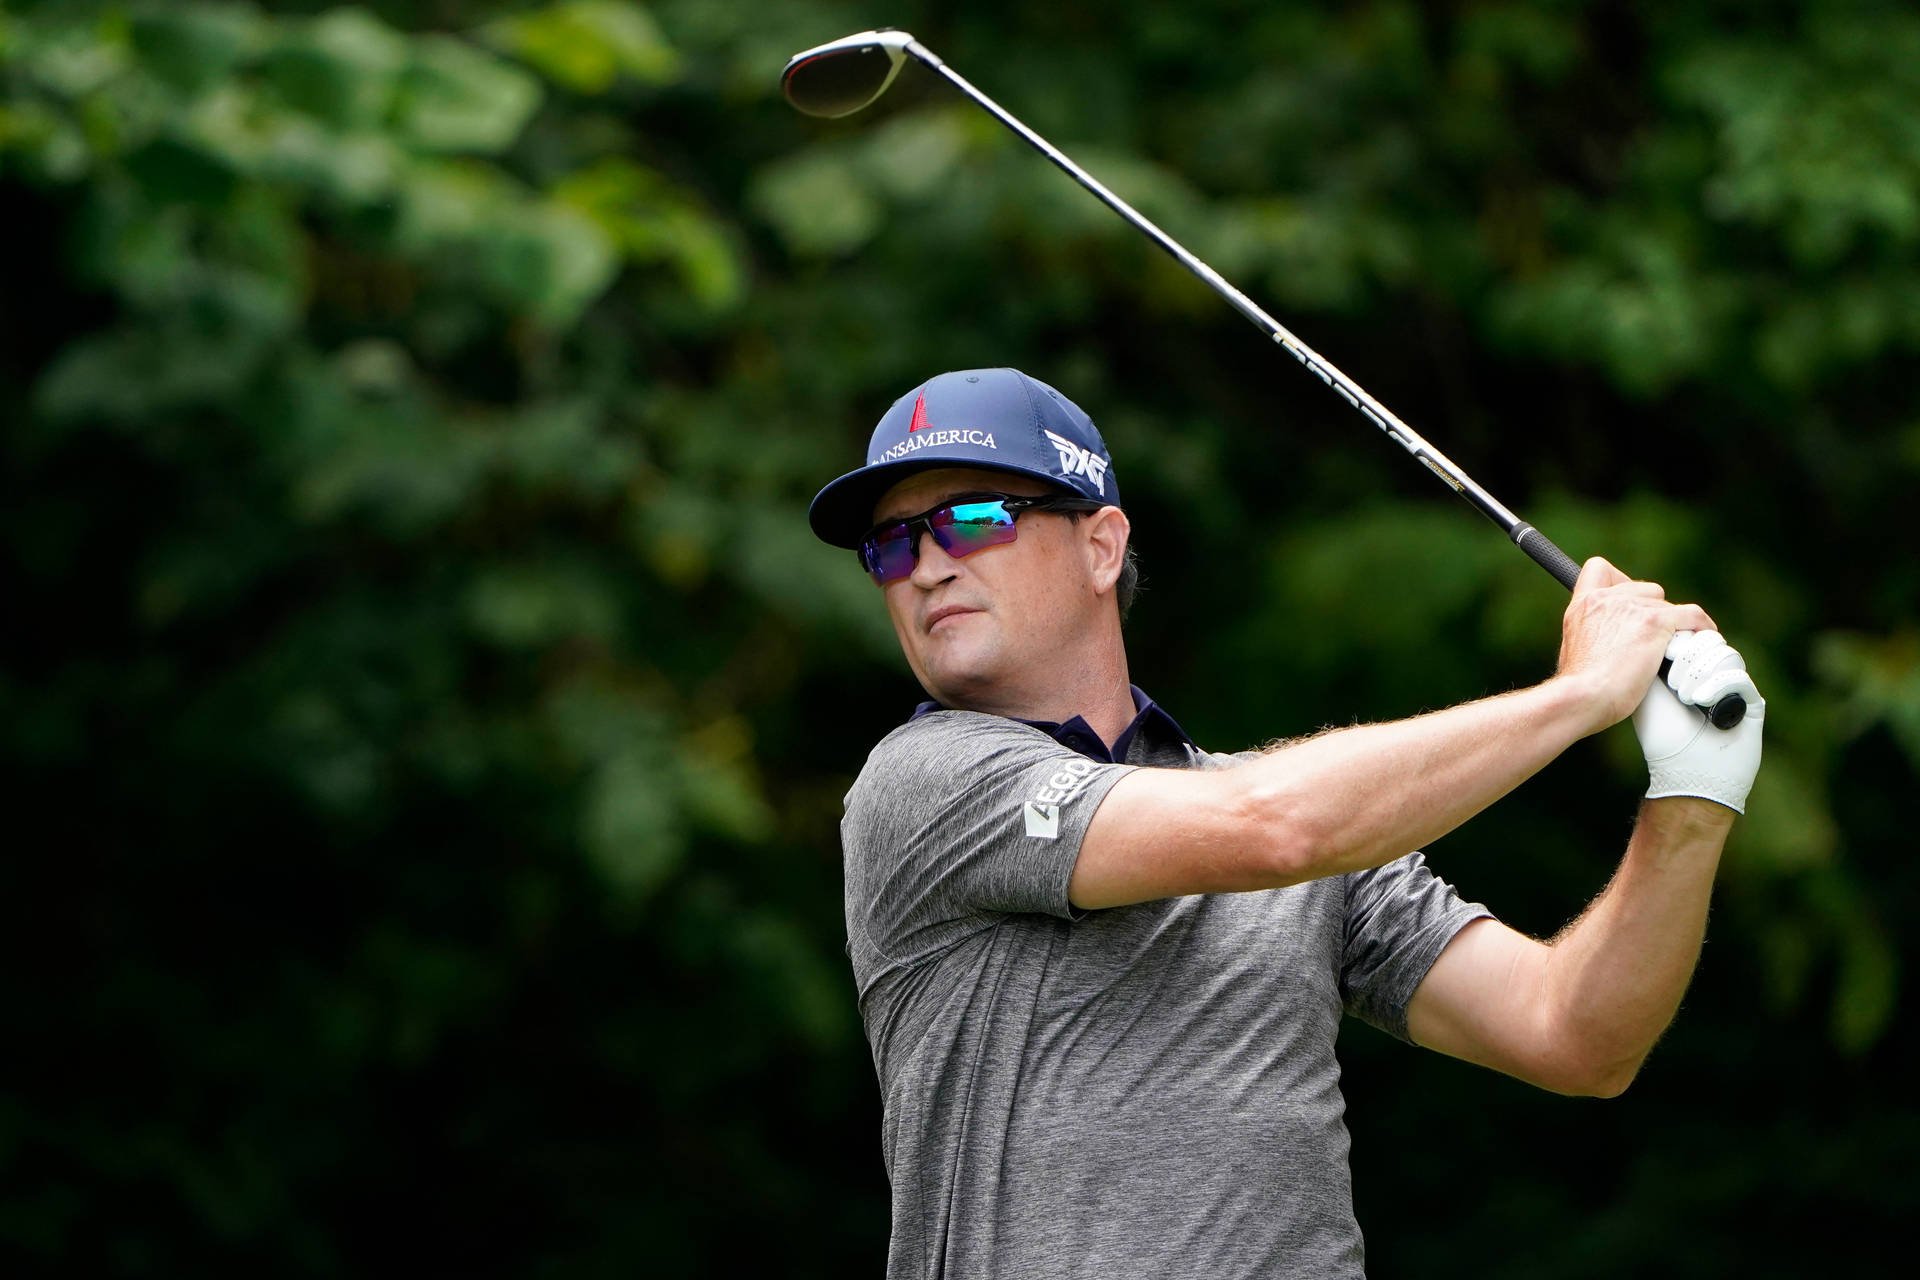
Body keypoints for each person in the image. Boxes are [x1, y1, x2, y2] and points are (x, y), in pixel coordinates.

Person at [807, 367, 1766, 1279]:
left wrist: (1691, 803)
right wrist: (1584, 694)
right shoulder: (922, 785)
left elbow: (1575, 1037)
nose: (926, 566)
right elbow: (1274, 827)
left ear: (1100, 546)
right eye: (891, 546)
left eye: (971, 521)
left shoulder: (1309, 825)